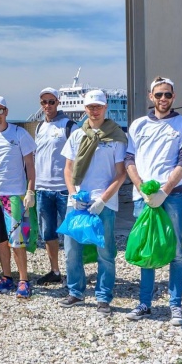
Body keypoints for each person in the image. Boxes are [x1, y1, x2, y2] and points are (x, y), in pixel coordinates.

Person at [124, 76, 182, 326]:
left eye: (167, 94)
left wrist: (164, 190)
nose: (163, 98)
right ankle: (145, 304)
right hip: (142, 197)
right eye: (158, 94)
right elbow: (129, 159)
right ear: (150, 96)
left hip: (171, 196)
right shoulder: (138, 125)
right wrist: (141, 187)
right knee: (147, 250)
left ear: (173, 97)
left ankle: (176, 305)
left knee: (175, 252)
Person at [59, 90, 127, 315]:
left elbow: (121, 173)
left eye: (98, 106)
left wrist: (103, 199)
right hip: (78, 201)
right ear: (85, 109)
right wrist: (72, 194)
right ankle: (75, 292)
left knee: (105, 252)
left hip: (103, 202)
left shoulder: (116, 137)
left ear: (105, 108)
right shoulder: (77, 135)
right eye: (90, 107)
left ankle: (103, 297)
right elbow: (68, 169)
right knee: (71, 250)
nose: (94, 111)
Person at [0, 96, 37, 298]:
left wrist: (30, 191)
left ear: (6, 112)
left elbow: (30, 165)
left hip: (15, 196)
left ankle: (23, 280)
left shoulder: (19, 134)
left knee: (18, 240)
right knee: (0, 239)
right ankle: (6, 277)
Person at [33, 87, 75, 285]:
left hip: (64, 188)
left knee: (70, 233)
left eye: (51, 101)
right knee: (48, 232)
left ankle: (74, 272)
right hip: (42, 188)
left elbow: (79, 156)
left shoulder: (69, 126)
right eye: (44, 102)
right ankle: (55, 270)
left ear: (58, 102)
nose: (48, 105)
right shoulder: (39, 127)